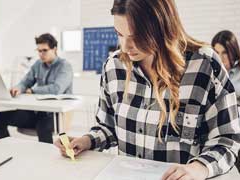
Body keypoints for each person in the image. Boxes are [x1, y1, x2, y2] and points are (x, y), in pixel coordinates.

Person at [54, 0, 240, 179]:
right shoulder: (113, 67)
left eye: (136, 37)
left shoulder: (206, 65)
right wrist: (86, 141)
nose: (125, 47)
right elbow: (108, 126)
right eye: (119, 34)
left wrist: (199, 168)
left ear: (163, 27)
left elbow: (227, 140)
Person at [0, 33, 73, 143]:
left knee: (43, 126)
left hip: (55, 115)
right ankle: (6, 146)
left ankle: (46, 157)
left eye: (45, 50)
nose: (41, 54)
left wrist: (32, 90)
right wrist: (18, 88)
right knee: (1, 117)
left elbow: (57, 89)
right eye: (39, 51)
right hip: (37, 111)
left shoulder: (65, 66)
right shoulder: (38, 64)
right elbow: (25, 82)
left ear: (54, 49)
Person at [212, 30, 240, 106]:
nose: (220, 58)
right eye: (217, 52)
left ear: (233, 51)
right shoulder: (211, 72)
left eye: (225, 53)